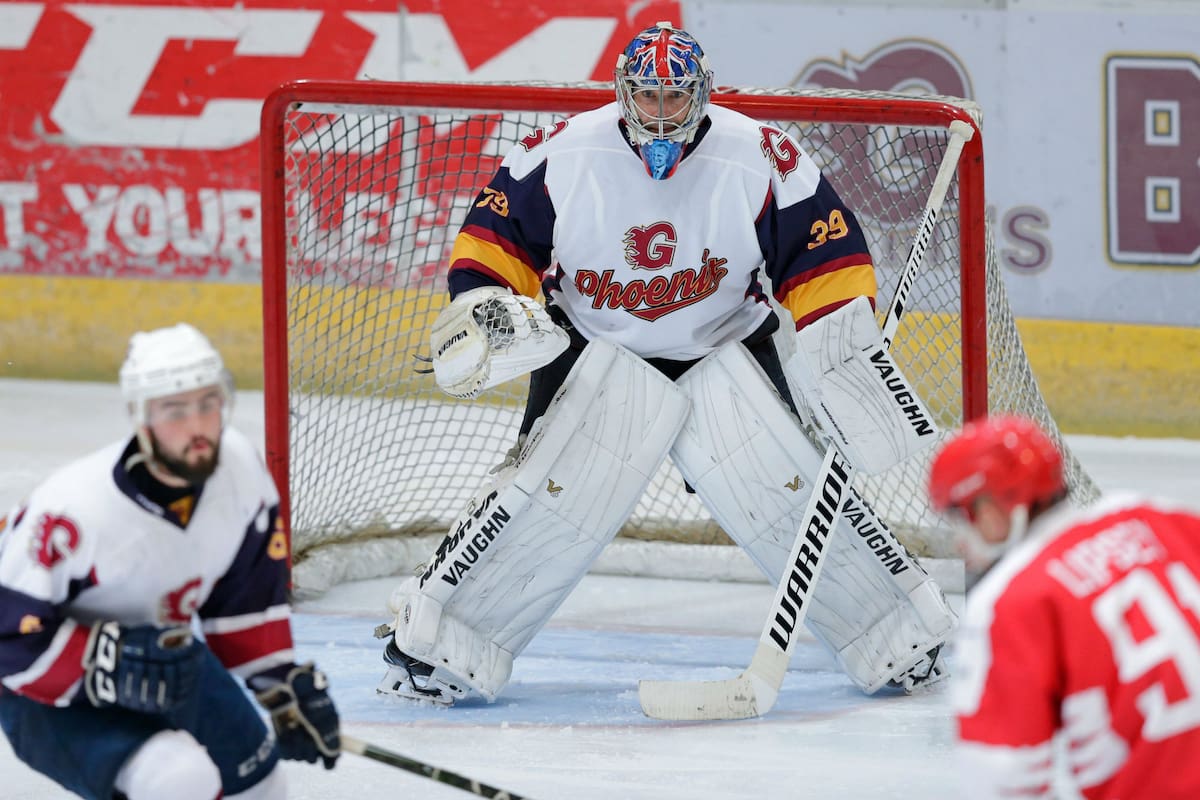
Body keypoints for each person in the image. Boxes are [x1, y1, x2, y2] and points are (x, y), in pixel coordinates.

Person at [378, 21, 955, 706]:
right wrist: (486, 306)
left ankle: (899, 634)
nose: (658, 113)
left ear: (700, 94)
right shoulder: (564, 152)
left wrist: (840, 342)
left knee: (794, 495)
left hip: (728, 344)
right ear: (622, 93)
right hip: (593, 348)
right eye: (646, 97)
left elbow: (823, 256)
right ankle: (439, 645)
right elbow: (493, 240)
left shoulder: (759, 154)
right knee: (539, 501)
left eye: (674, 98)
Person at [0, 323, 340, 800]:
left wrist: (282, 689)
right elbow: (9, 637)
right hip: (45, 694)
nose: (198, 426)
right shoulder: (72, 514)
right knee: (178, 778)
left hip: (172, 665)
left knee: (261, 782)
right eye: (174, 412)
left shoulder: (241, 473)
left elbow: (242, 607)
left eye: (208, 403)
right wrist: (105, 661)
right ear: (141, 419)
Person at [928, 414, 1200, 799]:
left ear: (992, 510)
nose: (960, 541)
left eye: (960, 518)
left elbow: (1003, 782)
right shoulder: (1155, 515)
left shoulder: (1011, 600)